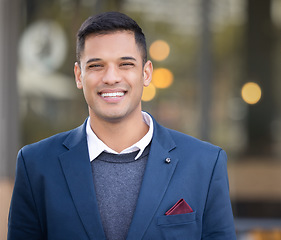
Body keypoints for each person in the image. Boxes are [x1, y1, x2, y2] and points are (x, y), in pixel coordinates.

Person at [7, 11, 236, 240]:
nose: (111, 77)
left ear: (146, 73)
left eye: (125, 64)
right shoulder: (36, 165)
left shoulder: (205, 163)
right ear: (79, 75)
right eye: (96, 66)